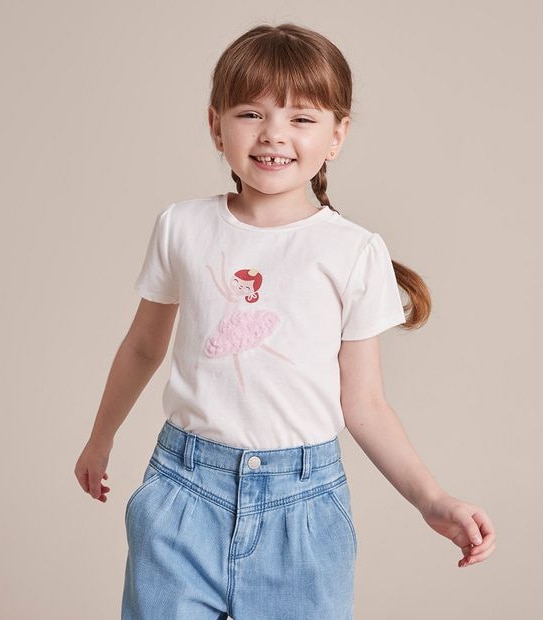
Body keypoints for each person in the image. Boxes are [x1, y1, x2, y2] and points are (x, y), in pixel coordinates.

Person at [74, 23, 496, 620]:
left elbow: (365, 403)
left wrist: (431, 498)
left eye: (301, 118)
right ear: (216, 125)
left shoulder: (353, 250)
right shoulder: (182, 226)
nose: (273, 134)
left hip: (303, 509)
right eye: (251, 113)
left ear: (337, 135)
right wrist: (100, 438)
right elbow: (144, 346)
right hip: (182, 493)